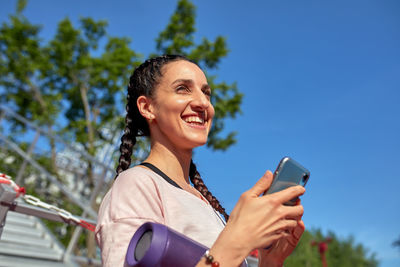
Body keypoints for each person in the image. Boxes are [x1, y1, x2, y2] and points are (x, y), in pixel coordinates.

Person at [95, 55, 306, 267]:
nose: (203, 103)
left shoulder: (206, 205)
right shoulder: (136, 185)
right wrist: (235, 241)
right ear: (148, 107)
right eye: (182, 89)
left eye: (206, 93)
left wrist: (269, 261)